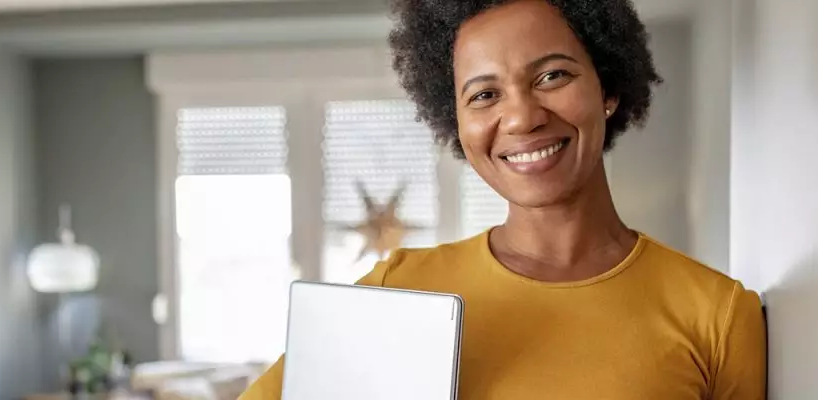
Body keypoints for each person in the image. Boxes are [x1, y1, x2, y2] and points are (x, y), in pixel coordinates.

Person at [240, 0, 767, 398]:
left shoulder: (717, 314)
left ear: (608, 89)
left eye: (552, 75)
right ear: (458, 122)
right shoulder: (395, 290)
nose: (520, 117)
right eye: (484, 94)